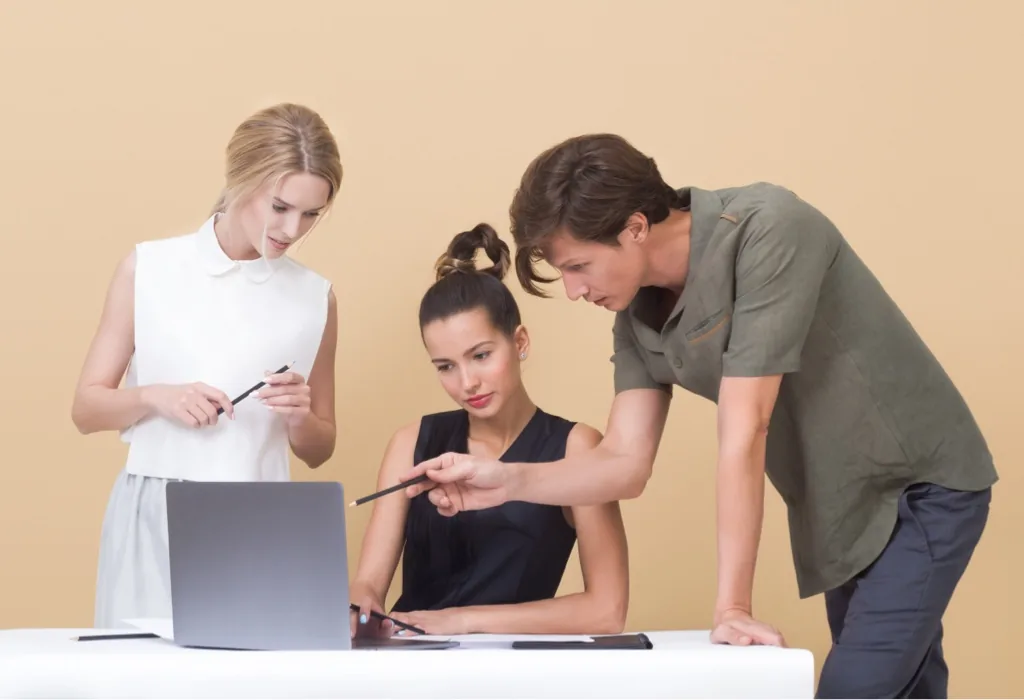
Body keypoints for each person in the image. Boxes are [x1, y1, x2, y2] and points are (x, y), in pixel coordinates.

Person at [403, 134, 997, 697]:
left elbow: (746, 429)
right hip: (836, 511)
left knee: (857, 689)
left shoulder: (770, 230)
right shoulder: (636, 314)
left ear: (635, 228)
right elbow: (624, 463)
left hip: (918, 487)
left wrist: (731, 609)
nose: (574, 291)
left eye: (578, 266)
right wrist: (504, 481)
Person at [71, 103, 343, 629]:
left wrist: (299, 416)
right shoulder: (149, 268)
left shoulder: (316, 298)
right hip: (153, 511)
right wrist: (155, 396)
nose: (293, 229)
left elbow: (319, 449)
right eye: (281, 206)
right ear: (241, 179)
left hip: (262, 519)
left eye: (312, 214)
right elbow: (86, 409)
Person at [349, 223, 629, 638]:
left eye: (480, 355)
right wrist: (360, 606)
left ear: (519, 342)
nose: (467, 383)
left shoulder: (577, 448)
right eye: (445, 366)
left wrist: (461, 622)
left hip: (510, 672)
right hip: (409, 665)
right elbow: (368, 584)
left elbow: (606, 611)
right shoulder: (411, 443)